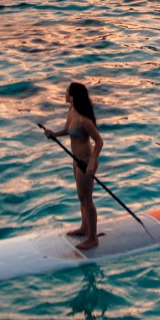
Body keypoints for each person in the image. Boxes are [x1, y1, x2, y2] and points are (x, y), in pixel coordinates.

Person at [43, 82, 104, 250]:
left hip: (86, 161)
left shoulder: (84, 120)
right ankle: (84, 228)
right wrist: (54, 134)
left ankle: (93, 238)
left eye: (67, 92)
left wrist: (92, 161)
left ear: (72, 96)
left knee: (87, 198)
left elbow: (99, 142)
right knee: (81, 196)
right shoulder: (71, 111)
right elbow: (68, 130)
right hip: (76, 160)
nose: (64, 94)